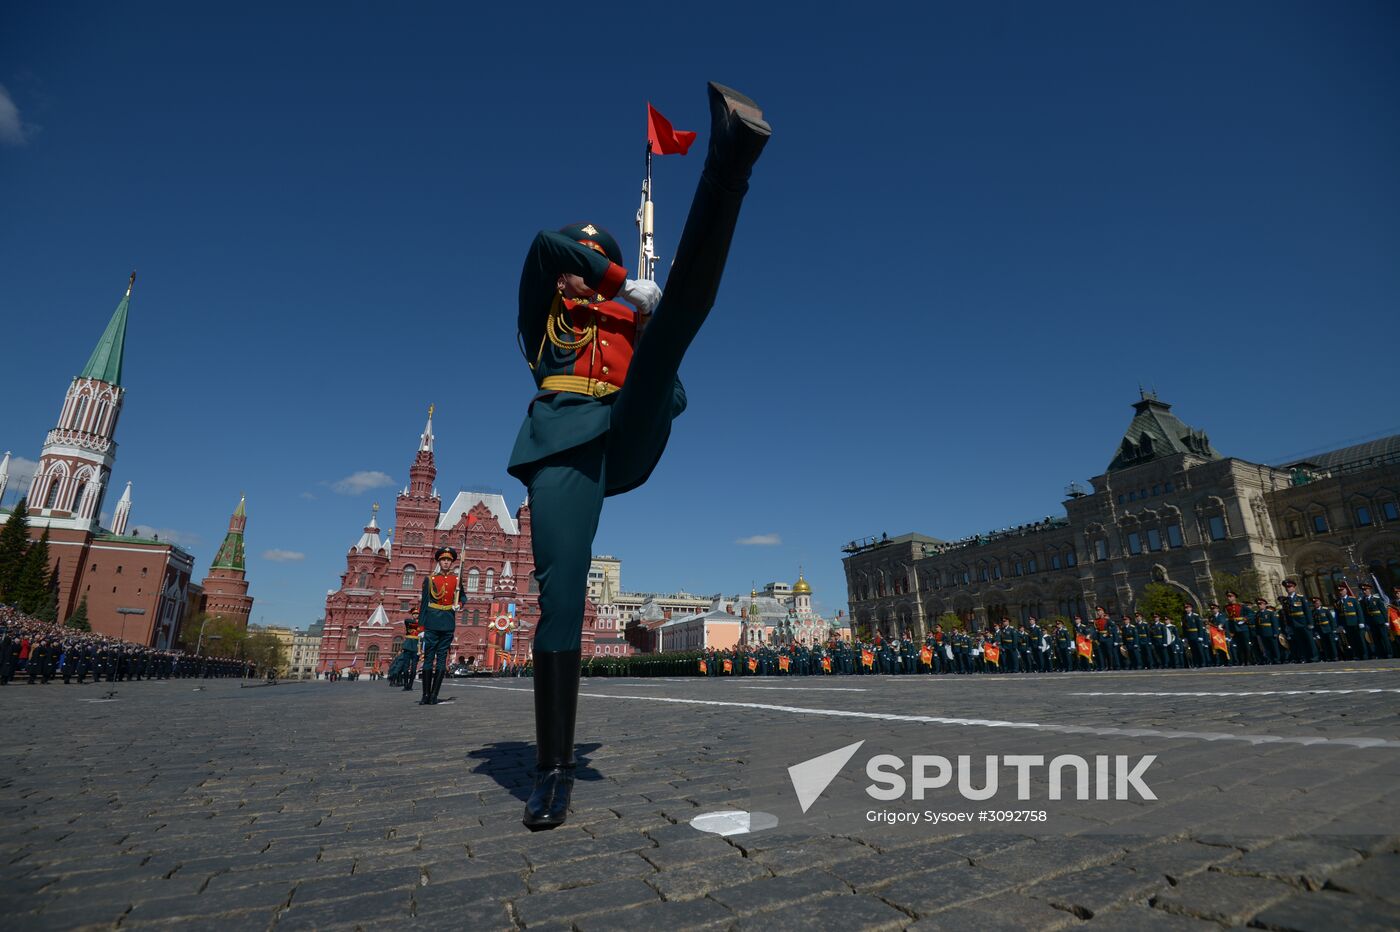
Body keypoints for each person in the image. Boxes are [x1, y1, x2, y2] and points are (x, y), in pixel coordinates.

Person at [506, 82, 770, 831]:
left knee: (680, 317)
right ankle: (552, 768)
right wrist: (620, 281)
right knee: (561, 597)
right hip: (563, 442)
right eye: (583, 264)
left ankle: (731, 160)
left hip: (623, 428)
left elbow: (672, 396)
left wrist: (649, 329)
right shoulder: (544, 309)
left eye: (598, 262)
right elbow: (543, 248)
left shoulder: (629, 319)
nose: (581, 269)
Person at [418, 547, 463, 706]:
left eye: (449, 560)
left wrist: (460, 604)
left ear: (451, 563)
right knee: (429, 659)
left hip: (448, 623)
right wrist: (421, 628)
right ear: (439, 561)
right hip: (431, 622)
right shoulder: (430, 580)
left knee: (442, 659)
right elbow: (424, 605)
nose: (446, 562)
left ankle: (434, 695)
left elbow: (462, 596)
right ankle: (425, 694)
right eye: (443, 560)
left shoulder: (456, 580)